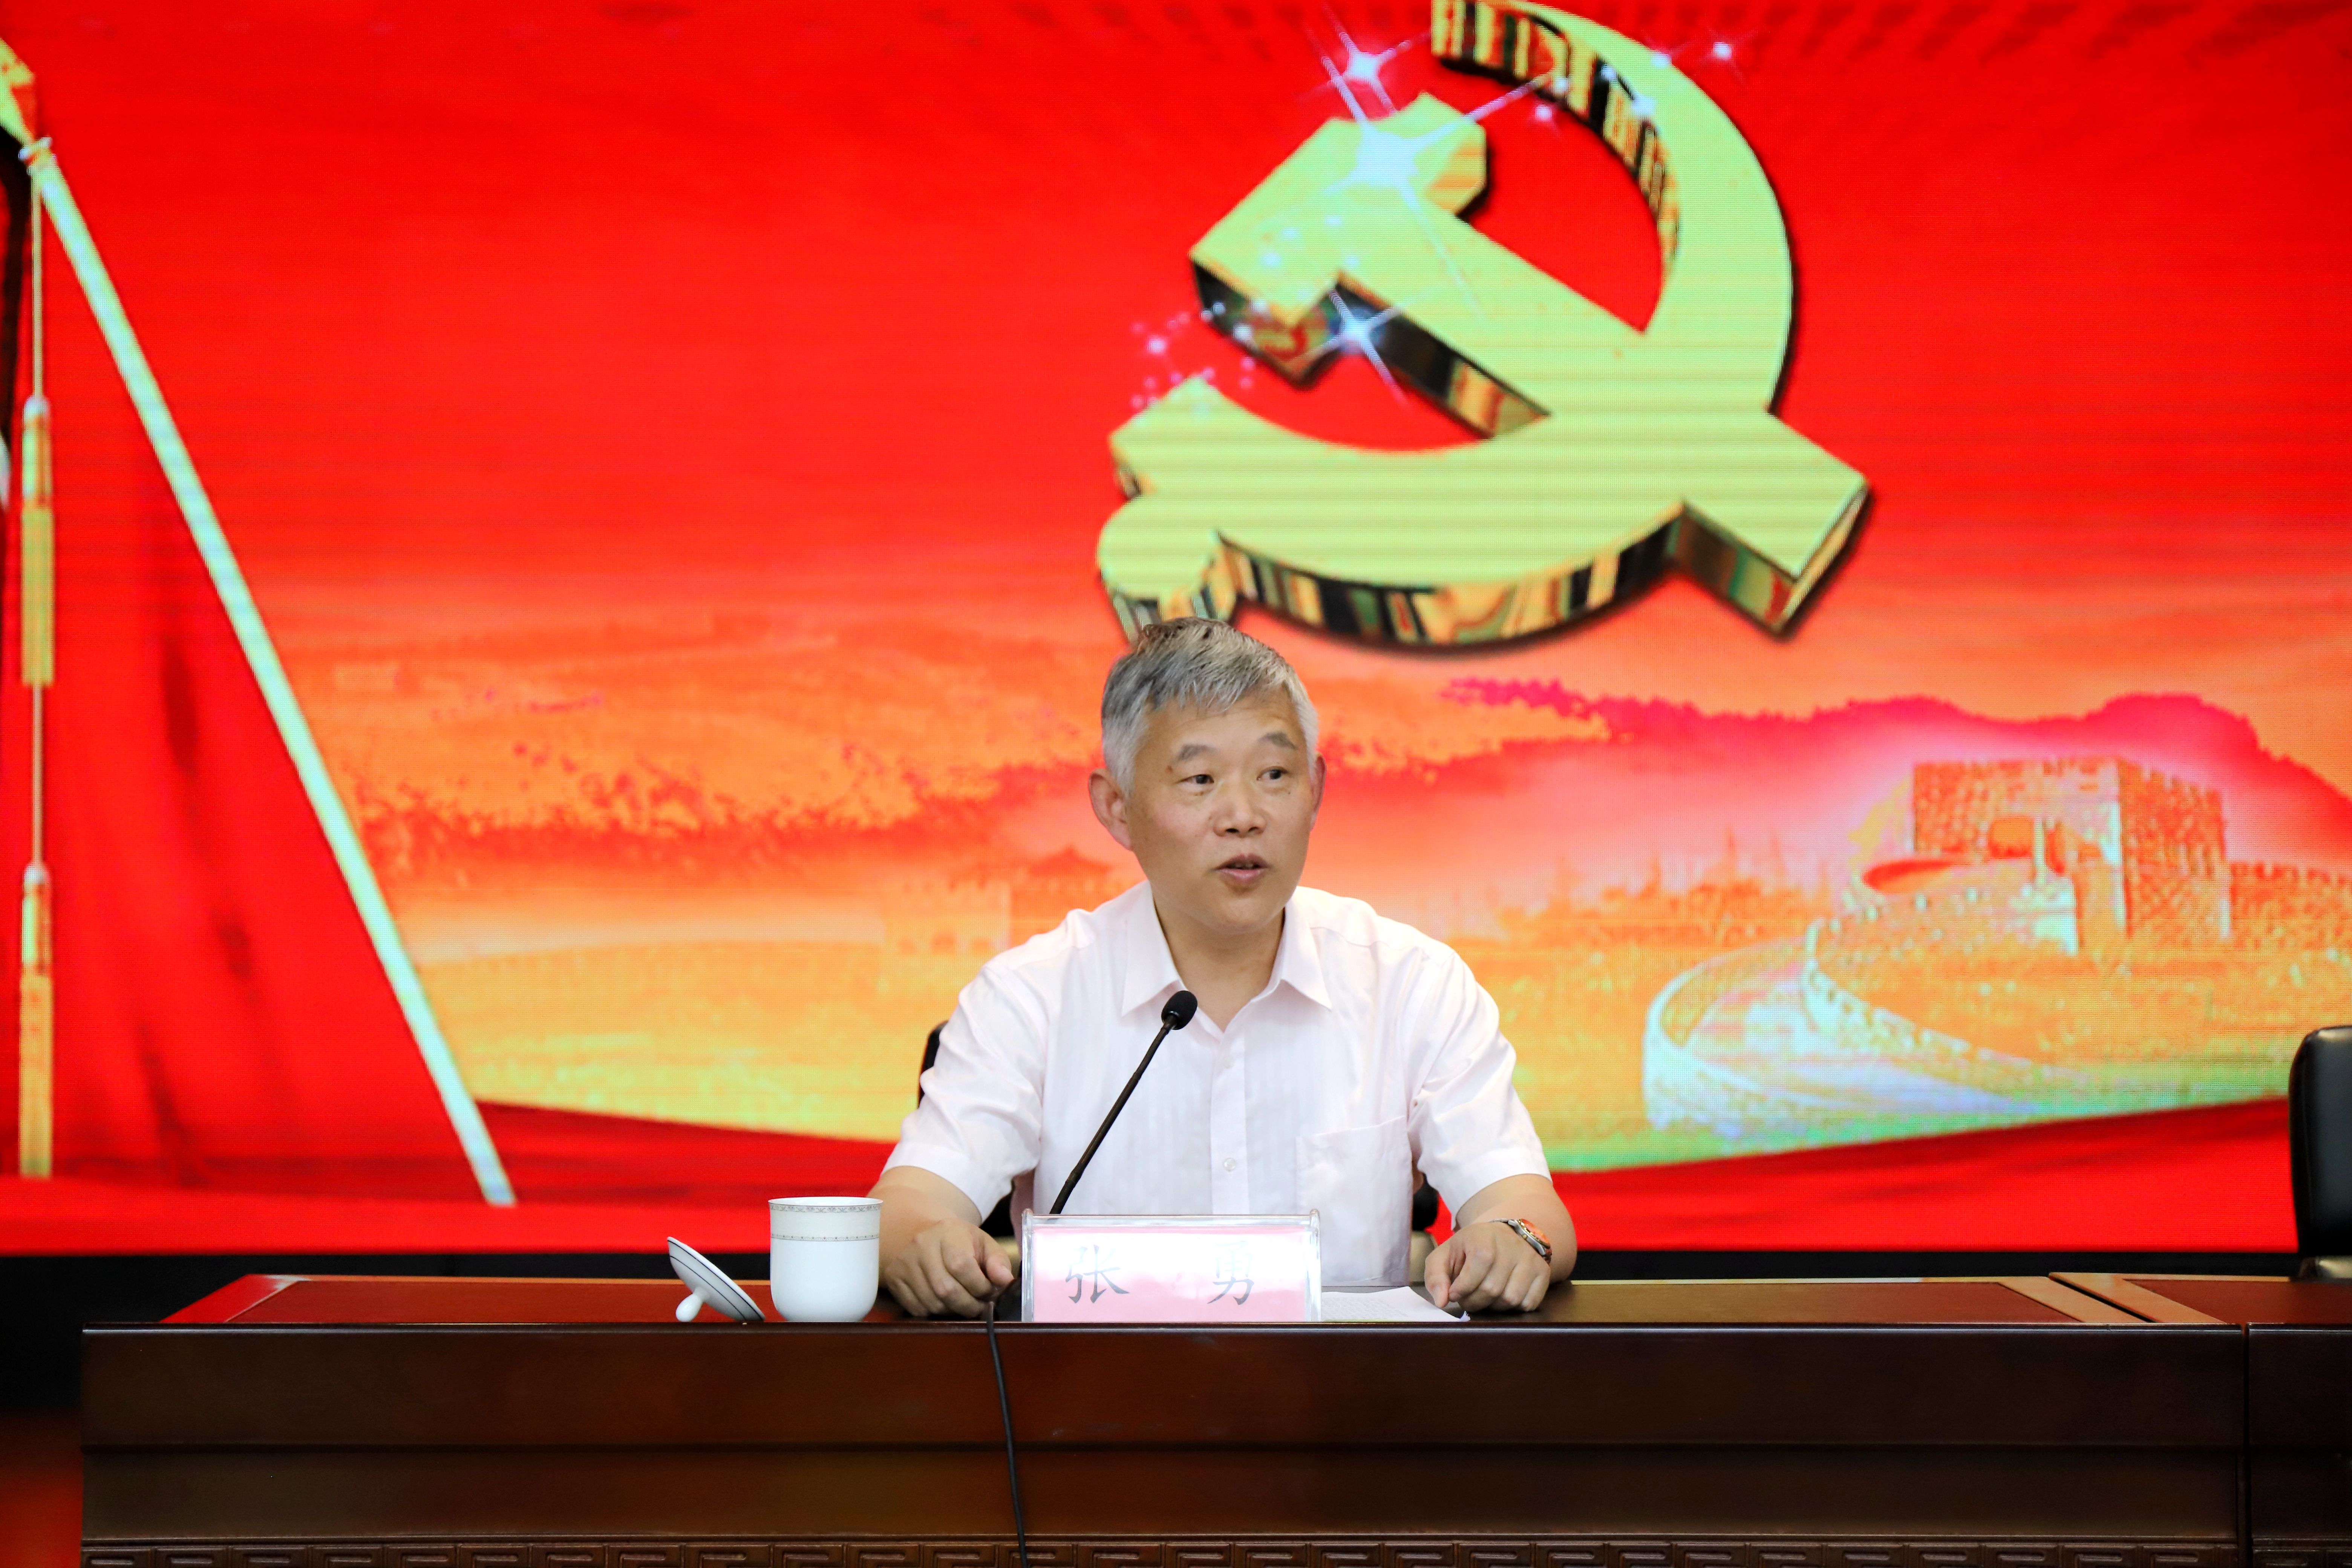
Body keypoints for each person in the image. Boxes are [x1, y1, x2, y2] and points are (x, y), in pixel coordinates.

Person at [869, 617, 1575, 1317]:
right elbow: (907, 1208)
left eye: (1275, 775)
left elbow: (1525, 1206)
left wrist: (1511, 1241)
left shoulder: (1412, 985)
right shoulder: (1031, 998)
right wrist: (926, 1247)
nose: (1243, 815)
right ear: (1117, 808)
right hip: (1100, 1386)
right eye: (1200, 779)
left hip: (1345, 1386)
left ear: (1315, 789)